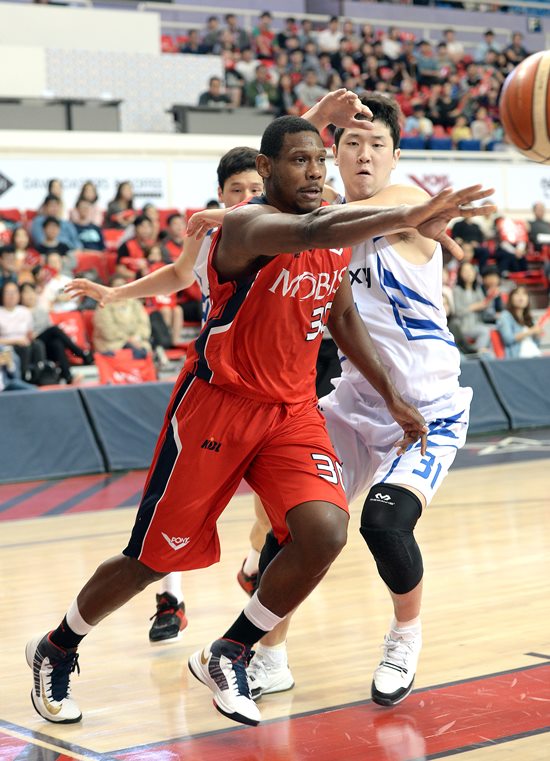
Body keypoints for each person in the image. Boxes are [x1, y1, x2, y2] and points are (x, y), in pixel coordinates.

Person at [28, 111, 492, 729]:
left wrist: (393, 398)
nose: (315, 171)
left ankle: (233, 650)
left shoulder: (326, 235)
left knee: (325, 533)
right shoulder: (249, 226)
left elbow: (344, 317)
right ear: (266, 169)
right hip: (219, 407)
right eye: (300, 160)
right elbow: (319, 226)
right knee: (152, 559)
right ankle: (58, 646)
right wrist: (407, 214)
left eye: (319, 161)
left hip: (293, 412)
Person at [243, 93, 492, 708]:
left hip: (426, 406)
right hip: (356, 401)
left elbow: (392, 211)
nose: (364, 154)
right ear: (332, 153)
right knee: (294, 525)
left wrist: (420, 213)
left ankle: (405, 636)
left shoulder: (405, 204)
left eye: (377, 144)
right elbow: (272, 177)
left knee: (384, 523)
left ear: (396, 156)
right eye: (350, 143)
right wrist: (312, 117)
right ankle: (269, 654)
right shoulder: (320, 222)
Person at [20, 282, 93, 384]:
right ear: (20, 295)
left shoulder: (41, 310)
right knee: (54, 330)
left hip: (45, 343)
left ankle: (68, 377)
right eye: (26, 293)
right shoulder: (20, 311)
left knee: (57, 343)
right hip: (32, 343)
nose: (30, 296)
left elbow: (48, 327)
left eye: (31, 292)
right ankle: (81, 353)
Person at [93, 275, 152, 358]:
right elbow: (107, 330)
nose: (120, 288)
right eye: (117, 285)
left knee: (144, 349)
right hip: (113, 343)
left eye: (123, 285)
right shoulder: (103, 305)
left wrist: (136, 337)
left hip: (137, 340)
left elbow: (144, 324)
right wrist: (128, 339)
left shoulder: (135, 303)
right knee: (136, 352)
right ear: (110, 288)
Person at [451, 262, 493, 353]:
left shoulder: (477, 289)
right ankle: (475, 353)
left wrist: (489, 301)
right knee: (485, 331)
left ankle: (478, 351)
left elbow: (484, 308)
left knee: (490, 330)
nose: (469, 273)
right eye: (465, 271)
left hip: (476, 323)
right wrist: (473, 307)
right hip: (463, 326)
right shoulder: (457, 290)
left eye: (471, 270)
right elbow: (457, 312)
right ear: (460, 274)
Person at [496, 286, 542, 359]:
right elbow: (508, 339)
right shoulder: (505, 316)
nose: (521, 297)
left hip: (535, 355)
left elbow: (536, 344)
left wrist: (537, 335)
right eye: (517, 294)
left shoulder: (529, 318)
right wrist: (530, 331)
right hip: (518, 357)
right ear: (511, 298)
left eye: (524, 294)